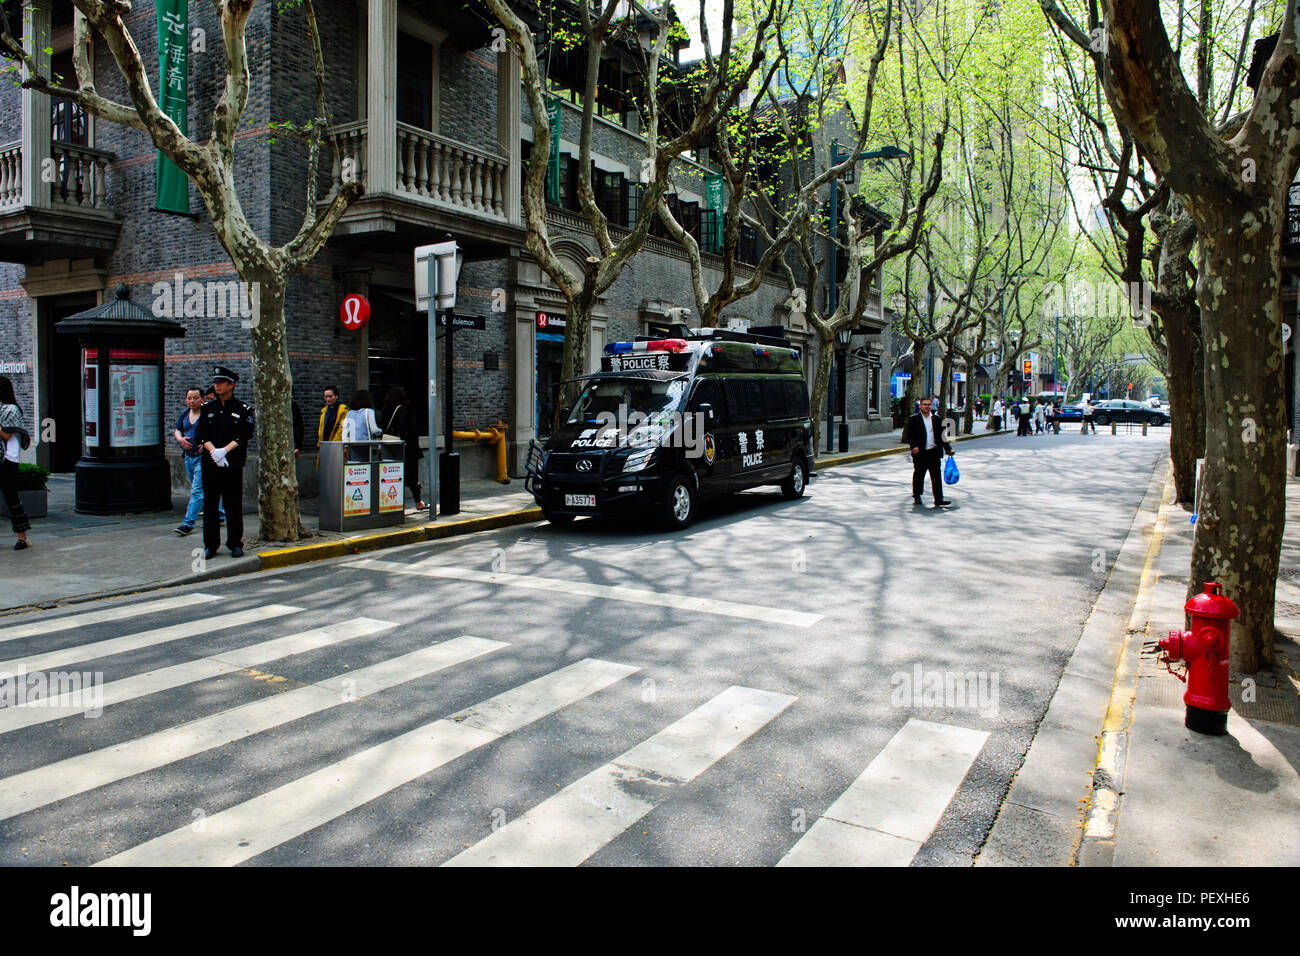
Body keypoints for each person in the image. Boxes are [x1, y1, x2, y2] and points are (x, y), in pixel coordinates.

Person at [195, 366, 255, 559]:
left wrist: (225, 451)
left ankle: (235, 543)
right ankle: (211, 545)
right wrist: (214, 452)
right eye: (215, 382)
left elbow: (244, 435)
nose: (217, 385)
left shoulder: (243, 409)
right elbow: (201, 435)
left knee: (233, 505)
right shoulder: (207, 408)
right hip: (211, 463)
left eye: (221, 382)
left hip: (232, 464)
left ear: (231, 385)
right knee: (210, 505)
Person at [174, 385, 225, 536]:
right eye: (189, 398)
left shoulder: (208, 415)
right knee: (202, 489)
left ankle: (188, 523)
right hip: (188, 457)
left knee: (197, 491)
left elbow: (217, 433)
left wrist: (206, 443)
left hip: (202, 459)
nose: (192, 401)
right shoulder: (184, 414)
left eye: (195, 398)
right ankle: (220, 513)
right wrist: (180, 439)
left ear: (202, 400)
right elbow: (177, 430)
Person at [380, 386, 427, 511]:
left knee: (391, 474)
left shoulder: (385, 410)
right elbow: (410, 429)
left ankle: (391, 503)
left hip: (389, 446)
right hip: (406, 447)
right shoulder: (405, 410)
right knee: (411, 475)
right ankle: (418, 502)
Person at [0, 375, 32, 551]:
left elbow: (6, 435)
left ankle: (23, 537)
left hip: (9, 459)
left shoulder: (11, 409)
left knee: (12, 498)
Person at [905, 396, 954, 508]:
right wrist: (914, 446)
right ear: (920, 405)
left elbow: (942, 437)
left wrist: (948, 448)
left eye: (929, 404)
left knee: (936, 477)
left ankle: (938, 499)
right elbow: (910, 435)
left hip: (934, 452)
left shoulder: (936, 419)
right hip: (920, 453)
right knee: (919, 475)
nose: (927, 407)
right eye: (925, 404)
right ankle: (917, 495)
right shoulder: (914, 419)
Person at [316, 385, 348, 467]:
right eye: (326, 396)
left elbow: (342, 428)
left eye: (330, 396)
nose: (328, 399)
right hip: (325, 445)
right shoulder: (324, 411)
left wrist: (334, 444)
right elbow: (321, 429)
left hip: (336, 446)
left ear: (336, 396)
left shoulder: (342, 410)